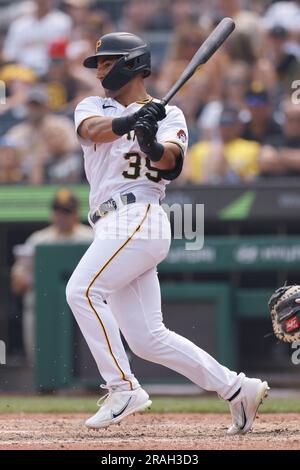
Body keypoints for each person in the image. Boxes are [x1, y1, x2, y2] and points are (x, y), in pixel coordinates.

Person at [66, 31, 269, 434]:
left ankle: (122, 388)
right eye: (100, 63)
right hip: (112, 225)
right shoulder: (93, 105)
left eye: (109, 61)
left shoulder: (169, 115)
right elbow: (92, 130)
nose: (102, 68)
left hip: (138, 214)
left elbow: (171, 164)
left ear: (134, 63)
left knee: (82, 291)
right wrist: (130, 122)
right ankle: (237, 388)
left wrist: (150, 143)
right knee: (147, 338)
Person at [11, 189, 93, 363]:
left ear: (76, 214)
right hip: (41, 309)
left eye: (66, 211)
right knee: (40, 364)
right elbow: (17, 285)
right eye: (57, 210)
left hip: (79, 310)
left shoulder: (90, 237)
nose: (61, 216)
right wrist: (33, 274)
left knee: (83, 364)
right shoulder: (38, 240)